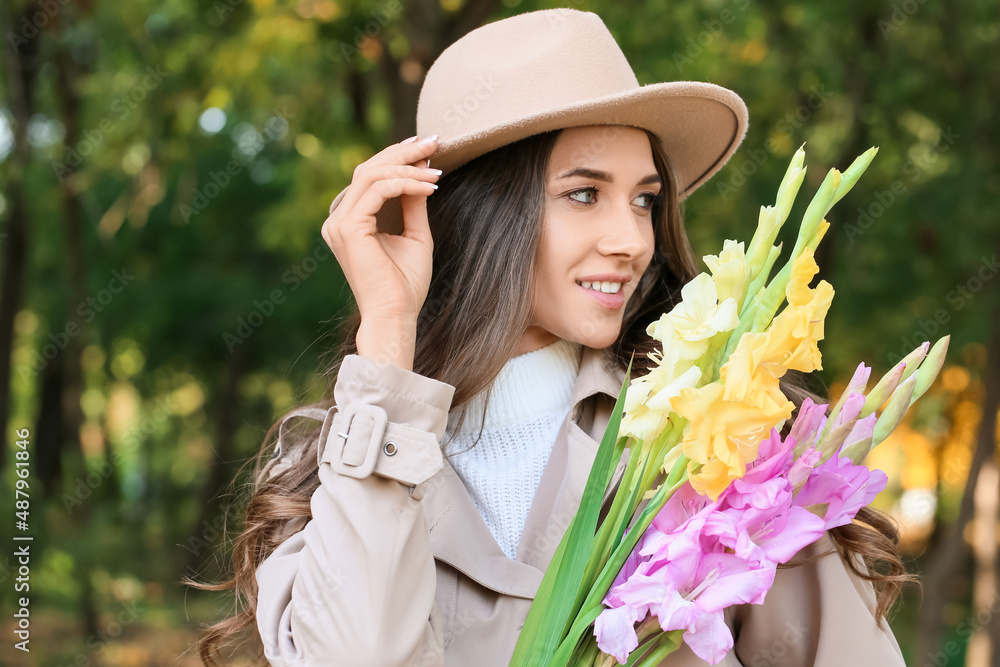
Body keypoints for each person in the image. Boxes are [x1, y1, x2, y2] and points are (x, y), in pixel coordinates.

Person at [188, 8, 913, 666]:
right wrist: (387, 336)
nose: (631, 239)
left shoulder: (711, 444)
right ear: (481, 215)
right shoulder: (343, 456)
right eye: (583, 193)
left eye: (644, 200)